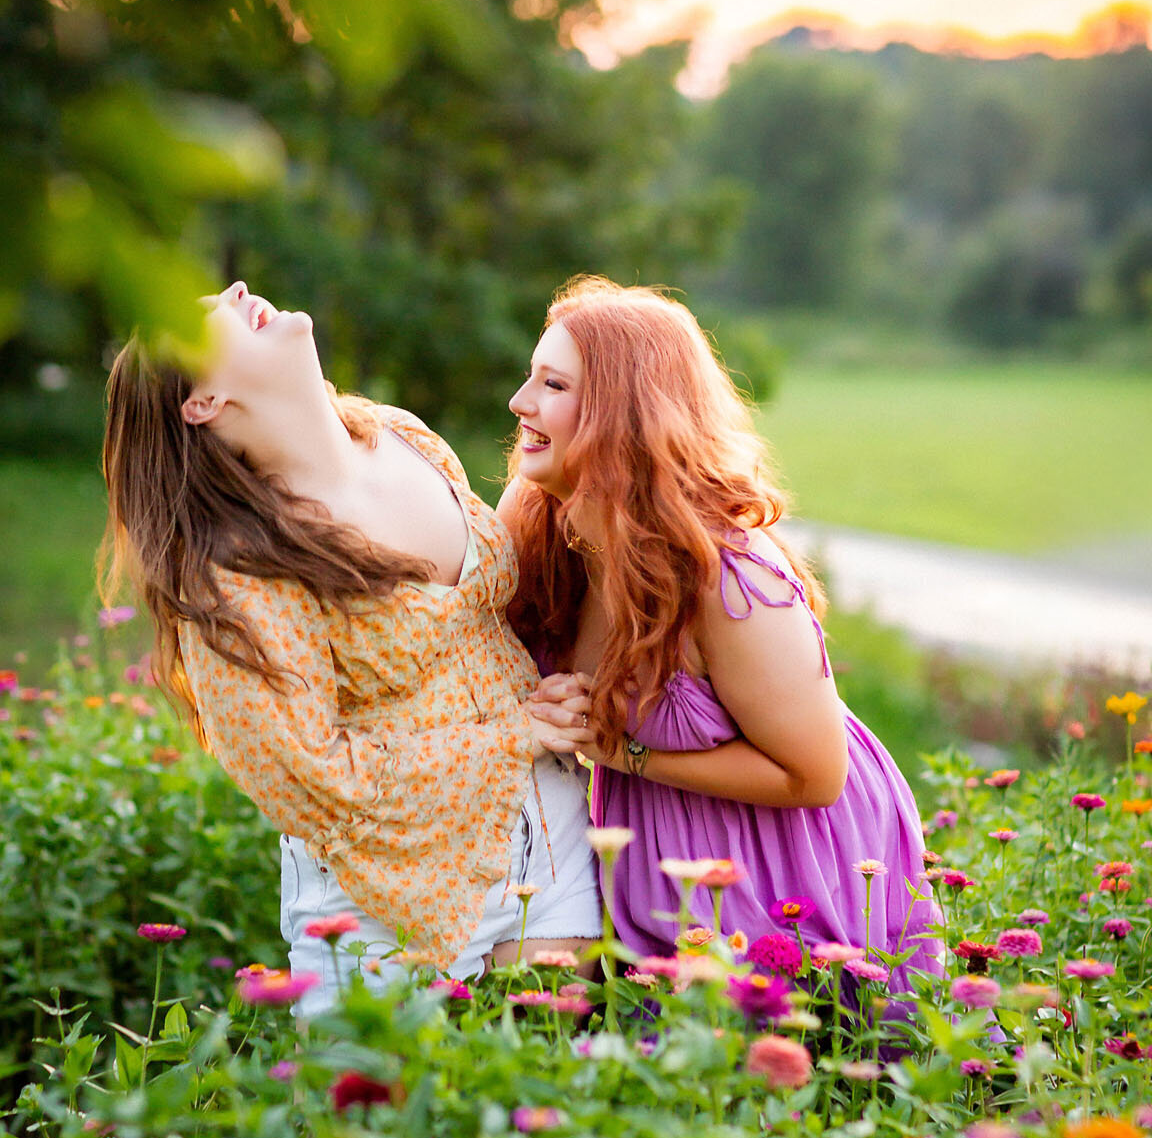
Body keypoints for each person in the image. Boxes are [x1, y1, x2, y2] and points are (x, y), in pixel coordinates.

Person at [102, 281, 601, 1014]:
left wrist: (552, 697)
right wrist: (511, 735)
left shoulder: (400, 435)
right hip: (390, 900)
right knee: (383, 1126)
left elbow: (482, 629)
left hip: (546, 842)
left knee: (552, 1107)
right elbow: (308, 776)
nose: (237, 289)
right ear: (202, 401)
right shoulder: (238, 569)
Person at [499, 277, 942, 999]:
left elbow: (813, 775)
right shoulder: (537, 517)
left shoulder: (725, 574)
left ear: (624, 412)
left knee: (784, 1081)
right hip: (646, 860)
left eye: (552, 384)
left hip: (781, 859)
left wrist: (620, 751)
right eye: (530, 378)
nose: (521, 403)